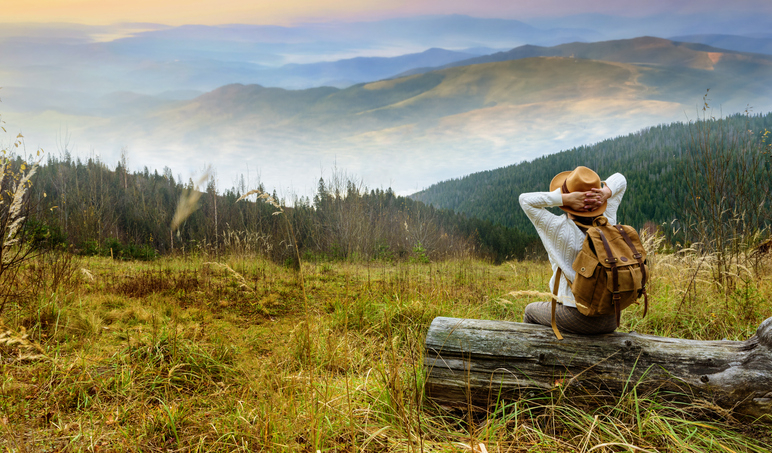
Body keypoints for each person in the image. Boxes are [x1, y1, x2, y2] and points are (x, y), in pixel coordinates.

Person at [518, 166, 627, 335]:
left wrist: (563, 198)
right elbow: (620, 178)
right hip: (612, 317)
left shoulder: (559, 228)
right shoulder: (607, 221)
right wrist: (604, 193)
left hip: (578, 317)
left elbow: (525, 200)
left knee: (530, 310)